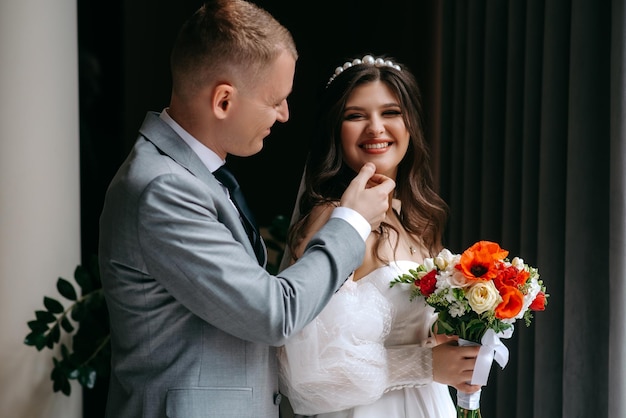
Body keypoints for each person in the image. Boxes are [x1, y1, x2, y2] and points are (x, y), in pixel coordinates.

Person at [97, 2, 395, 416]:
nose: (285, 115)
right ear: (223, 100)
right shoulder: (162, 189)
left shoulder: (195, 175)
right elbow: (275, 314)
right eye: (275, 100)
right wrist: (352, 222)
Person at [277, 54, 481, 418]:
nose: (375, 128)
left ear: (410, 125)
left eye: (390, 113)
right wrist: (427, 366)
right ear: (335, 131)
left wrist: (450, 339)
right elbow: (307, 375)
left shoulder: (417, 217)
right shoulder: (332, 220)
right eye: (355, 116)